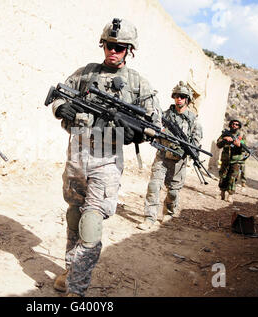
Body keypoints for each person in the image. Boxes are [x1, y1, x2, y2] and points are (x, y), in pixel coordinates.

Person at [51, 18, 162, 297]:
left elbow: (154, 123)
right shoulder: (85, 73)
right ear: (103, 45)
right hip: (77, 153)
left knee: (92, 219)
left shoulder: (138, 83)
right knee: (75, 214)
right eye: (110, 46)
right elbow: (59, 95)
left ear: (130, 50)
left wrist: (136, 133)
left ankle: (76, 289)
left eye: (120, 48)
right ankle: (70, 268)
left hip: (107, 157)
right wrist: (60, 109)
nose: (114, 51)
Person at [138, 81, 203, 231]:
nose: (178, 99)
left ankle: (169, 212)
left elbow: (196, 143)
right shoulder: (165, 115)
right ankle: (149, 218)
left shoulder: (193, 121)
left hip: (179, 160)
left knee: (173, 191)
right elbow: (153, 130)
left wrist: (189, 151)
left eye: (182, 96)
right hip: (162, 155)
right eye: (176, 96)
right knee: (154, 186)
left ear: (187, 99)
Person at [216, 119, 247, 202]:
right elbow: (218, 144)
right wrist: (225, 139)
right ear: (230, 125)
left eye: (237, 124)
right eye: (233, 124)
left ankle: (230, 195)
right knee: (223, 176)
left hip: (236, 160)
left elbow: (244, 147)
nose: (234, 125)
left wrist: (239, 144)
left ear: (239, 126)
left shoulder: (241, 136)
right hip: (226, 159)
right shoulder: (225, 134)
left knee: (233, 178)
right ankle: (222, 193)